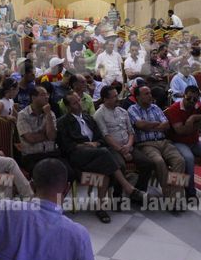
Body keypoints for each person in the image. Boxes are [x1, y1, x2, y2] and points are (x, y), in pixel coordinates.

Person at [58, 92, 144, 221]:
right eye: (75, 103)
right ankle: (127, 186)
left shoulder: (88, 118)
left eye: (79, 100)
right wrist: (83, 145)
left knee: (105, 174)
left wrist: (95, 143)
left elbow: (101, 139)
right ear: (68, 107)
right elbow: (65, 146)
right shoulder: (63, 122)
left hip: (96, 154)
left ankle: (100, 208)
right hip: (78, 155)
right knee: (105, 152)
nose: (79, 104)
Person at [128, 85, 186, 207]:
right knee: (159, 162)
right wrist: (157, 125)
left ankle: (175, 196)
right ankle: (170, 197)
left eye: (150, 93)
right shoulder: (132, 109)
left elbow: (166, 125)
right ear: (138, 97)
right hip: (146, 144)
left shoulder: (155, 107)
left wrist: (149, 126)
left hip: (164, 142)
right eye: (146, 94)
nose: (150, 96)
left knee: (179, 161)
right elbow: (140, 125)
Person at [164, 85, 201, 202]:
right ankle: (190, 193)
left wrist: (194, 118)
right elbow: (181, 131)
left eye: (195, 99)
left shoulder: (197, 105)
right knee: (188, 158)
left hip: (194, 142)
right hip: (177, 142)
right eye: (188, 98)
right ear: (183, 96)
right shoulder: (174, 109)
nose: (191, 101)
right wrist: (199, 123)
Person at [93, 86, 154, 193]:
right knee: (120, 166)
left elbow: (131, 132)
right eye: (114, 97)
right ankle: (118, 196)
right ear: (105, 99)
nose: (118, 99)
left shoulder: (123, 111)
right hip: (112, 148)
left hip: (128, 145)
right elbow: (106, 136)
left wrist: (128, 146)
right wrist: (122, 150)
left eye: (117, 95)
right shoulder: (99, 114)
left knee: (148, 163)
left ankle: (138, 193)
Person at [15, 86, 65, 174]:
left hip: (51, 153)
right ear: (33, 98)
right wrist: (46, 135)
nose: (47, 97)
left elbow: (52, 136)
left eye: (47, 94)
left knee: (68, 172)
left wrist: (48, 114)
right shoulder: (23, 115)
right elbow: (31, 139)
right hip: (32, 156)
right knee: (45, 174)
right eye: (43, 95)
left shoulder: (50, 113)